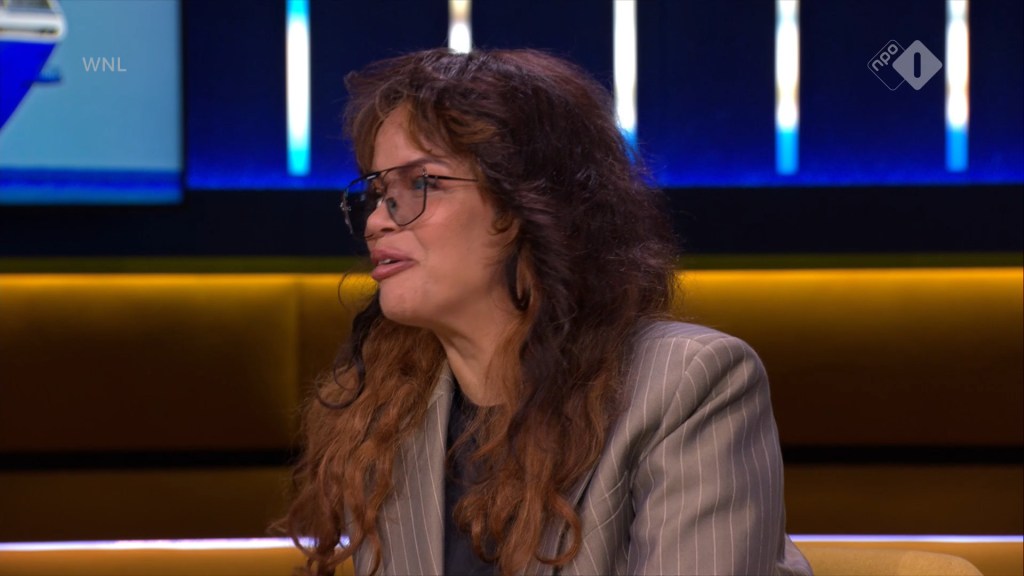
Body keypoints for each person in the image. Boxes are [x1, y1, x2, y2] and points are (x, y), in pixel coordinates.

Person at [281, 47, 812, 576]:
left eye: (422, 183)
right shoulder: (385, 413)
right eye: (378, 192)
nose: (377, 221)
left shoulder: (689, 383)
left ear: (529, 205)